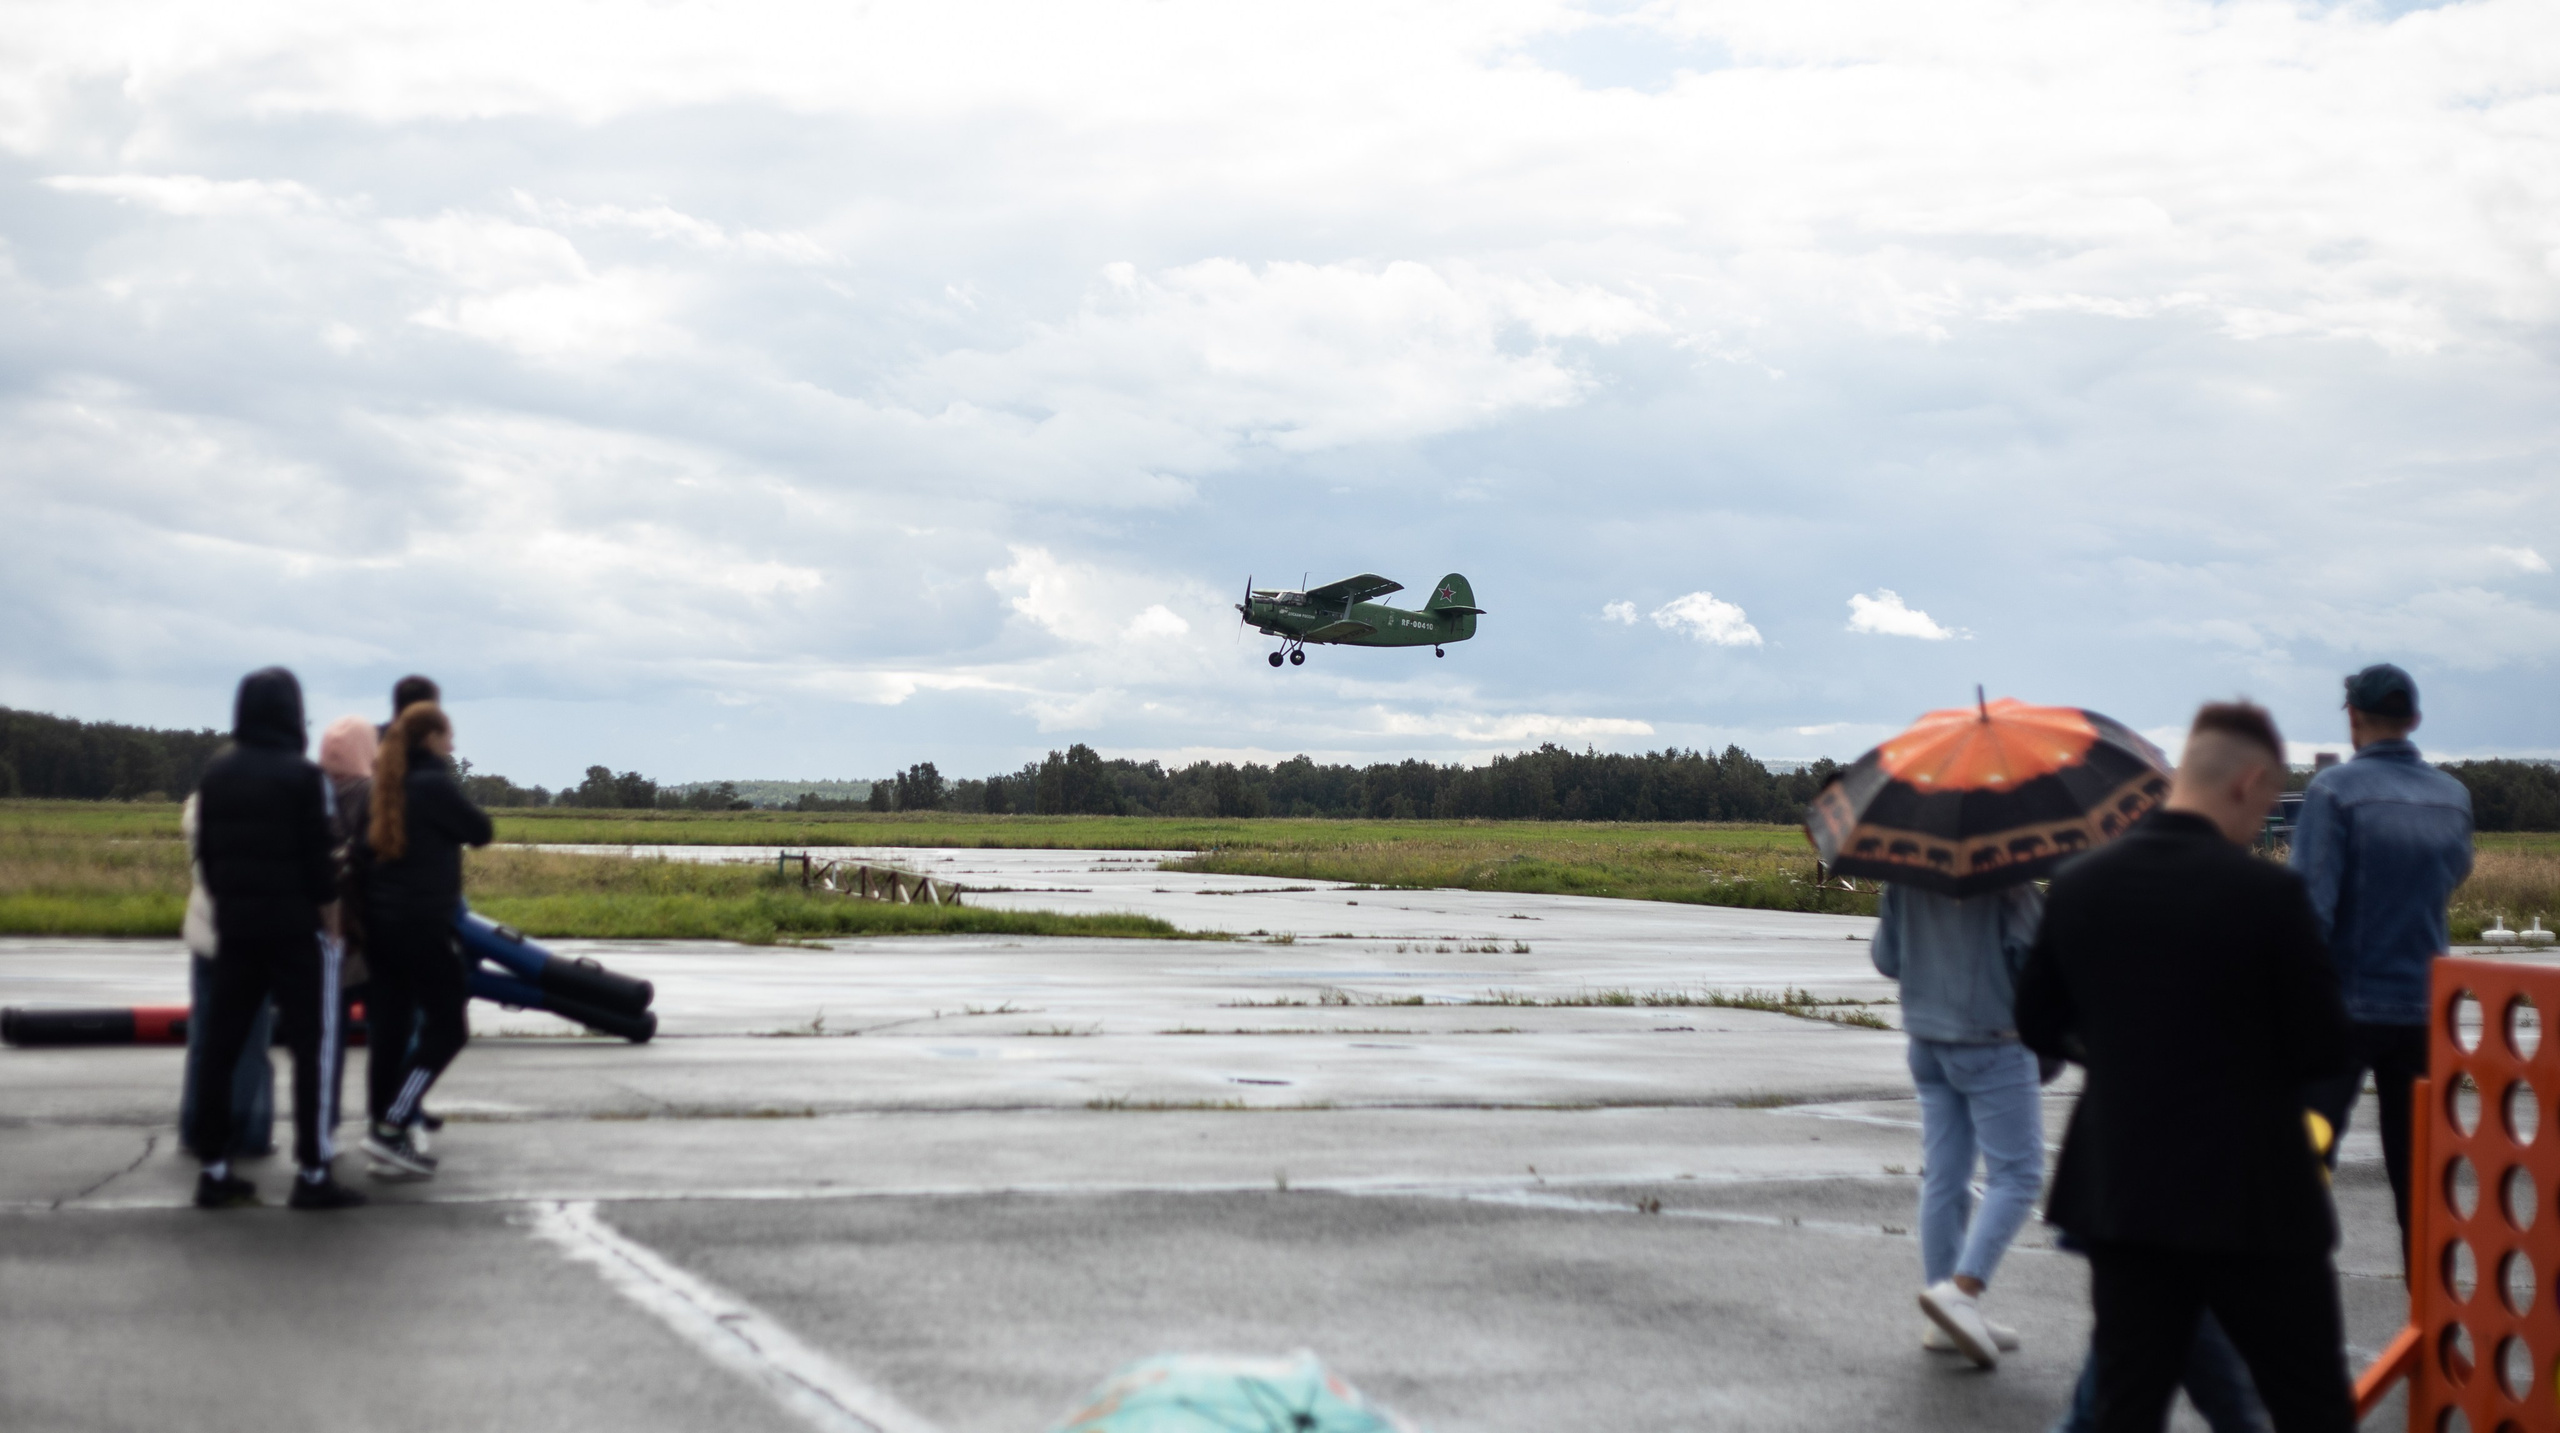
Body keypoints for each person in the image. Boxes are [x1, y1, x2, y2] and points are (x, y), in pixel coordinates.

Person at [2017, 702, 2351, 1432]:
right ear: (2250, 781)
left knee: (2126, 1405)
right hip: (2257, 1200)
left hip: (2126, 1195)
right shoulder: (2270, 896)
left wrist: (2116, 1047)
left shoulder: (2080, 885)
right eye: (2268, 800)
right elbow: (2325, 1043)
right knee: (2310, 1402)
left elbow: (2035, 1021)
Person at [2296, 663, 2474, 1257]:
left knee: (2305, 1156)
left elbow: (2311, 908)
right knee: (2421, 1171)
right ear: (2414, 720)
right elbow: (2451, 877)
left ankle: (2287, 1295)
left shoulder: (2334, 792)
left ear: (2352, 717)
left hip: (2342, 1011)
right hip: (2426, 1010)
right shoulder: (2453, 797)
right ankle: (2429, 1309)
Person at [186, 667, 366, 1211]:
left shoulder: (216, 776)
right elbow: (323, 864)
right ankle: (312, 1171)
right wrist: (331, 926)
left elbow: (209, 861)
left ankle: (215, 1168)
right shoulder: (304, 777)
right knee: (313, 1051)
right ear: (292, 713)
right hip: (295, 934)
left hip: (236, 931)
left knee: (221, 1047)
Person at [1870, 878, 2046, 1368]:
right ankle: (1962, 1292)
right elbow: (2037, 965)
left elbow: (1886, 959)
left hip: (1926, 1040)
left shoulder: (1905, 882)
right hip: (1992, 1042)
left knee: (1945, 1175)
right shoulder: (2011, 888)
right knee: (2019, 1173)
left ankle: (1944, 1310)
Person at [360, 701, 490, 1177]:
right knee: (449, 1029)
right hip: (423, 929)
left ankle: (386, 1135)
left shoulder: (387, 787)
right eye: (448, 735)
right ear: (431, 739)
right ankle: (391, 1126)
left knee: (391, 1035)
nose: (453, 745)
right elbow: (481, 830)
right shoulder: (433, 785)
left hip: (382, 930)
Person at [177, 791, 275, 1160]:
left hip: (204, 930)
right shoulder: (259, 808)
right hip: (248, 935)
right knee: (251, 1042)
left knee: (203, 1038)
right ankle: (247, 1133)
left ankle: (195, 1129)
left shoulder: (202, 807)